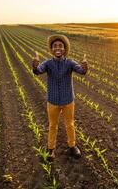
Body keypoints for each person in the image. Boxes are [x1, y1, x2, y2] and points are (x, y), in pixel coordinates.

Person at [32, 34, 88, 162]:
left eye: (60, 46)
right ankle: (51, 149)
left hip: (68, 100)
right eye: (55, 46)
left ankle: (72, 146)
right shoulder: (47, 63)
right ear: (52, 49)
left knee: (70, 124)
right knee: (53, 125)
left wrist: (84, 64)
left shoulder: (70, 63)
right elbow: (38, 71)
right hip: (52, 101)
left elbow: (82, 71)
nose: (58, 48)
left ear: (64, 49)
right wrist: (35, 63)